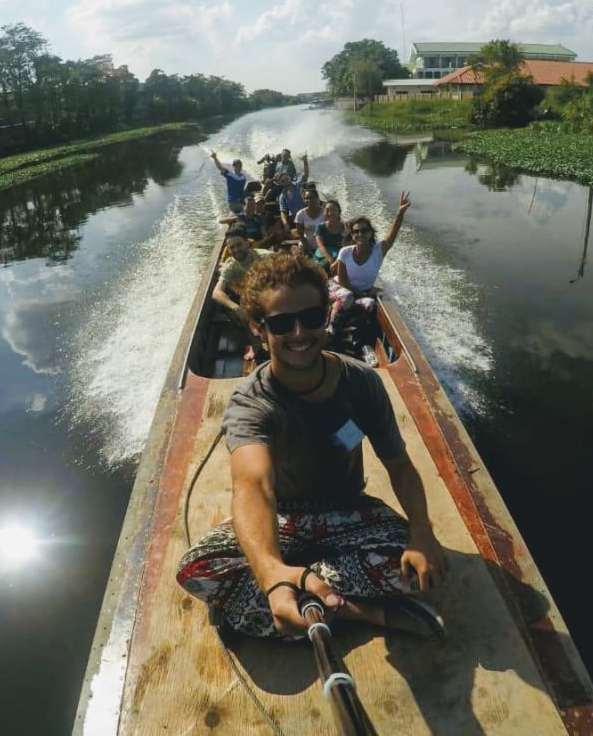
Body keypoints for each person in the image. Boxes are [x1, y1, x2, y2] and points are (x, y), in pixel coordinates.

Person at [176, 253, 448, 640]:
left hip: (348, 512)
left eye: (312, 318)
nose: (299, 333)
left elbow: (399, 466)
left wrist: (422, 532)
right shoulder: (252, 403)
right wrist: (271, 571)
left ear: (327, 315)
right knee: (196, 571)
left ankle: (292, 600)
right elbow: (255, 487)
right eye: (282, 323)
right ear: (259, 328)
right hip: (283, 519)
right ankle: (356, 610)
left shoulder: (361, 383)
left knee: (424, 567)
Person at [328, 190, 411, 333]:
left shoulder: (378, 252)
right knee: (347, 296)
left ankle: (347, 327)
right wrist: (361, 293)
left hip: (358, 294)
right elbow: (343, 281)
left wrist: (400, 213)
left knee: (370, 304)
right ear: (352, 236)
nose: (360, 234)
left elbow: (391, 236)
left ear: (371, 233)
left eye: (364, 230)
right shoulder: (345, 252)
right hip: (339, 290)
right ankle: (331, 329)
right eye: (356, 232)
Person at [212, 226, 272, 361]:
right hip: (248, 303)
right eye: (232, 247)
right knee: (234, 313)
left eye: (239, 245)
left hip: (269, 298)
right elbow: (216, 293)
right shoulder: (231, 265)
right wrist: (236, 308)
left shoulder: (266, 258)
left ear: (247, 243)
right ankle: (256, 346)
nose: (236, 250)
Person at [313, 199, 349, 273]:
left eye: (333, 210)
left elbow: (347, 247)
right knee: (322, 266)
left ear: (339, 212)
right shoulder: (320, 227)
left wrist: (337, 261)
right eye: (327, 210)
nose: (330, 213)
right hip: (324, 256)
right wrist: (330, 260)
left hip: (340, 256)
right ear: (324, 212)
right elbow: (321, 246)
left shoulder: (345, 227)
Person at [277, 154, 310, 234]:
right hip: (295, 219)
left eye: (286, 179)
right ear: (281, 184)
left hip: (306, 215)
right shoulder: (282, 196)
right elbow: (283, 212)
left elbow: (306, 175)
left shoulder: (298, 185)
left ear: (290, 178)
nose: (286, 181)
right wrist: (285, 224)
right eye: (283, 181)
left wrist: (305, 162)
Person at [293, 184, 326, 255]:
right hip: (307, 244)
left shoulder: (325, 213)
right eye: (306, 198)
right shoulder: (301, 214)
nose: (308, 200)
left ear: (317, 198)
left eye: (311, 198)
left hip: (323, 244)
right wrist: (308, 249)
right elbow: (301, 236)